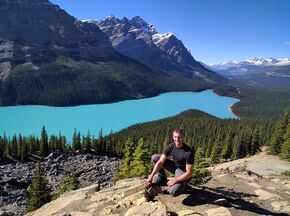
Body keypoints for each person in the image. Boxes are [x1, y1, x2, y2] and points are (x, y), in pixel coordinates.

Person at [144, 128, 194, 196]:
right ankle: (162, 178)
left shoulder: (188, 152)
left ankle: (184, 186)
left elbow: (189, 173)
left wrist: (175, 180)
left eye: (179, 137)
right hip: (174, 167)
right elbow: (160, 162)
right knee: (155, 157)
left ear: (183, 137)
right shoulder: (171, 147)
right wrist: (151, 176)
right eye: (175, 137)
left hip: (183, 172)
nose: (177, 139)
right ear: (173, 137)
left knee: (173, 192)